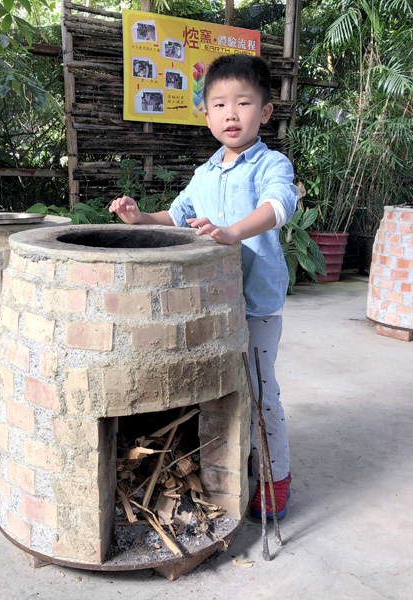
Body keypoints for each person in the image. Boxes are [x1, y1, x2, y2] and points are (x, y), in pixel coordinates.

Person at [109, 54, 298, 519]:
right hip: (210, 305)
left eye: (243, 103)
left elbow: (280, 206)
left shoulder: (271, 164)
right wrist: (139, 217)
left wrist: (233, 231)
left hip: (255, 303)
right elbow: (174, 217)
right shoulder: (204, 173)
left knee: (260, 392)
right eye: (219, 104)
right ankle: (228, 462)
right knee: (219, 391)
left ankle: (275, 476)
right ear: (206, 115)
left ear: (265, 112)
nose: (231, 114)